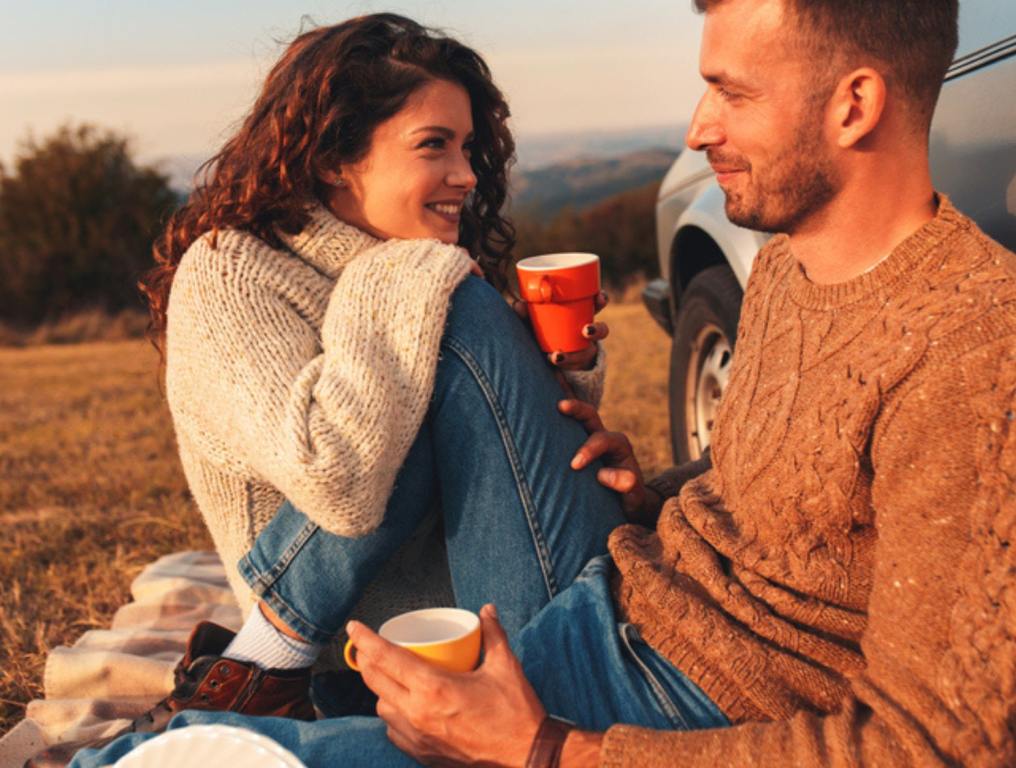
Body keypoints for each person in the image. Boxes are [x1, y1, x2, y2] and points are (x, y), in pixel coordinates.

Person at [68, 0, 1016, 766]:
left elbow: (937, 742)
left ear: (854, 106)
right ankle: (262, 669)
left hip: (648, 698)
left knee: (201, 759)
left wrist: (549, 749)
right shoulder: (787, 269)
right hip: (619, 606)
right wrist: (654, 490)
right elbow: (807, 511)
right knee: (203, 751)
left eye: (731, 93)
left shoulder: (972, 346)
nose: (697, 128)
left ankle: (257, 667)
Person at [27, 12, 626, 768]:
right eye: (433, 145)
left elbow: (494, 467)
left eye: (468, 146)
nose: (468, 175)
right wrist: (413, 280)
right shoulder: (234, 276)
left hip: (476, 608)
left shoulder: (407, 266)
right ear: (337, 158)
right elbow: (337, 479)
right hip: (362, 652)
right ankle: (262, 666)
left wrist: (559, 382)